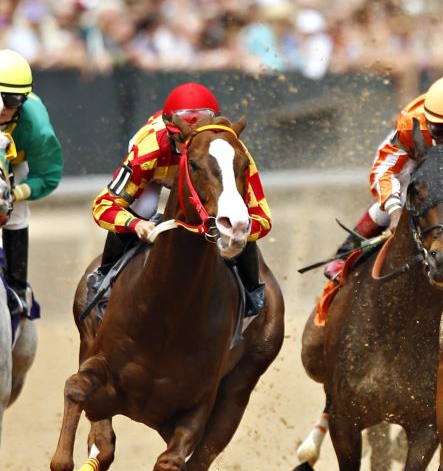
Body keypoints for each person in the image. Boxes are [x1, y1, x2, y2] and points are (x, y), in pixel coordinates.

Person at [91, 82, 271, 317]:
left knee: (237, 214)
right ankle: (104, 279)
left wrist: (239, 228)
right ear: (169, 132)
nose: (190, 149)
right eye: (182, 142)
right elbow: (103, 205)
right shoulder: (149, 149)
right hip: (158, 175)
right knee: (144, 208)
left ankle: (251, 289)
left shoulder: (233, 153)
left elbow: (262, 218)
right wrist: (136, 224)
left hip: (205, 175)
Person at [332, 67, 443, 263]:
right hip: (421, 162)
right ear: (428, 120)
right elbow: (384, 169)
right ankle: (343, 258)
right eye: (438, 130)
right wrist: (394, 210)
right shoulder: (411, 121)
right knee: (385, 207)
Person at [0, 49, 63, 315]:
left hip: (14, 165)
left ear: (23, 101)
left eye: (12, 100)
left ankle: (16, 289)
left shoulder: (36, 126)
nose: (3, 109)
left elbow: (48, 176)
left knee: (14, 213)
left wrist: (15, 193)